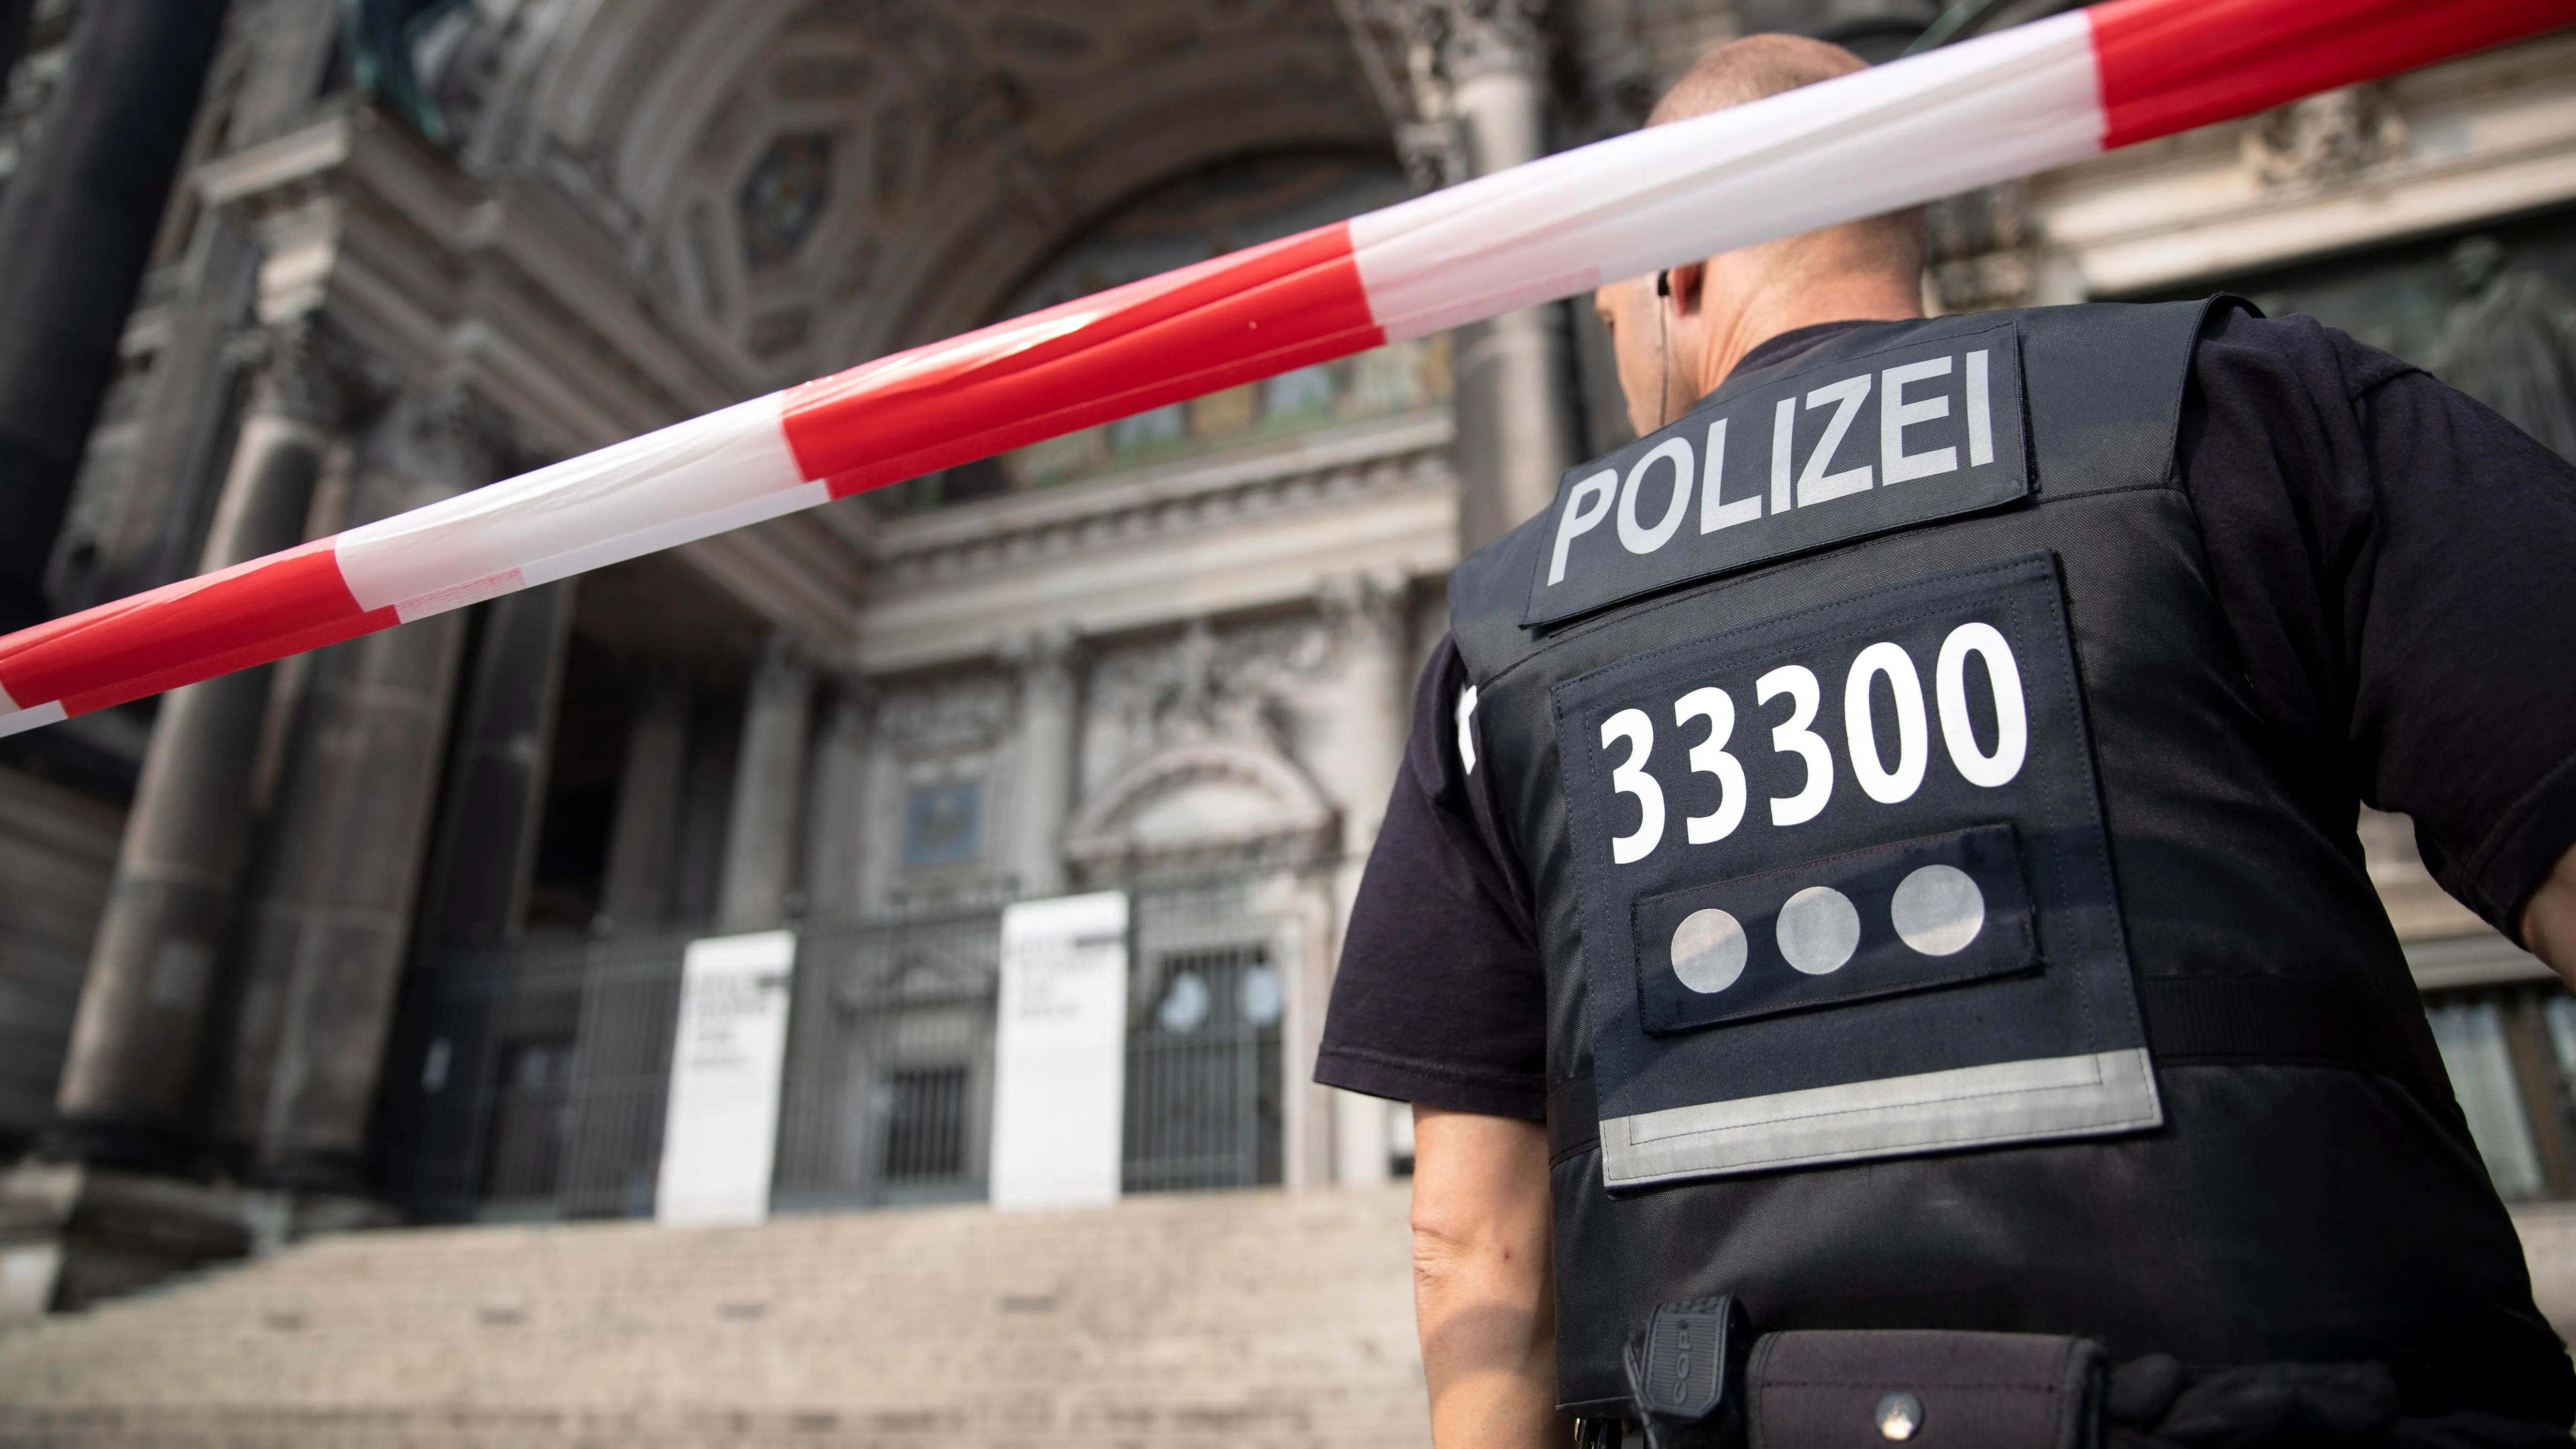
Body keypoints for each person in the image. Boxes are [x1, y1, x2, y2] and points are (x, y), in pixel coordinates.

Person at [1316, 32, 2576, 1449]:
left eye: (1610, 308)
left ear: (1677, 267)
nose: (1619, 355)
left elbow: (1472, 1252)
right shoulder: (2238, 404)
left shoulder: (1499, 639)